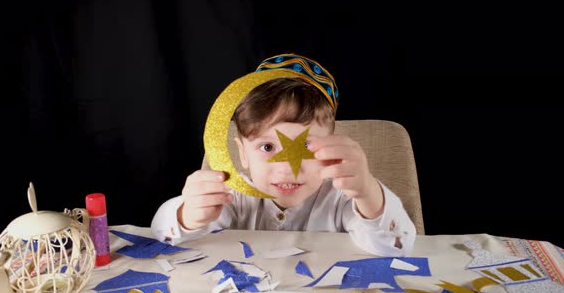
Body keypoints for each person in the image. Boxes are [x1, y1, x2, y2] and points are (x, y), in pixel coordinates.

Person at [151, 54, 416, 256]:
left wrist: (368, 192)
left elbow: (396, 246)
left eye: (306, 146)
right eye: (267, 147)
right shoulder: (233, 196)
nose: (288, 168)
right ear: (242, 153)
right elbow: (164, 235)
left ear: (331, 147)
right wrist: (188, 214)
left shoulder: (343, 200)